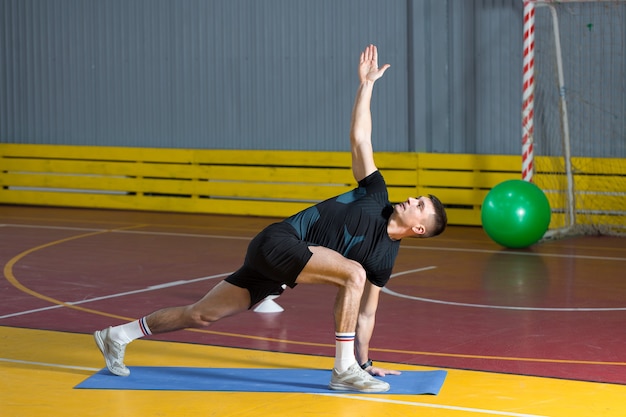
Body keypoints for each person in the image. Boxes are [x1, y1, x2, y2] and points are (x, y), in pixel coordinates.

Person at [94, 44, 447, 393]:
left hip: (277, 272)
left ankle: (117, 336)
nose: (411, 199)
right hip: (279, 241)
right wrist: (366, 85)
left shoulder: (384, 260)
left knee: (201, 315)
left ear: (418, 228)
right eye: (417, 197)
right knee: (352, 274)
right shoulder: (375, 193)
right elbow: (361, 138)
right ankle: (343, 371)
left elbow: (366, 314)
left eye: (419, 205)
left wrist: (368, 363)